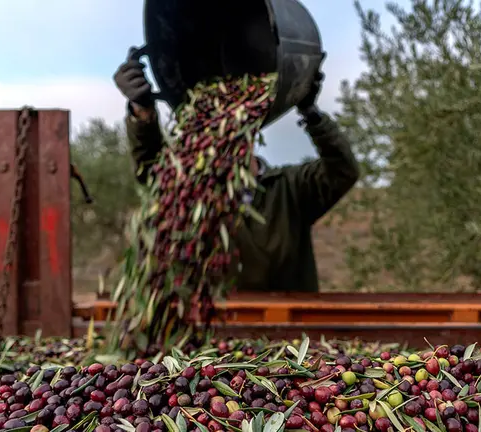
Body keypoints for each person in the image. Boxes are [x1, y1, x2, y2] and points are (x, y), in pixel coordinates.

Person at [112, 56, 360, 293]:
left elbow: (342, 169)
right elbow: (154, 173)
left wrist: (310, 111)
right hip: (217, 327)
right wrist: (142, 111)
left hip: (289, 329)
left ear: (249, 131)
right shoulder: (193, 193)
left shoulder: (291, 188)